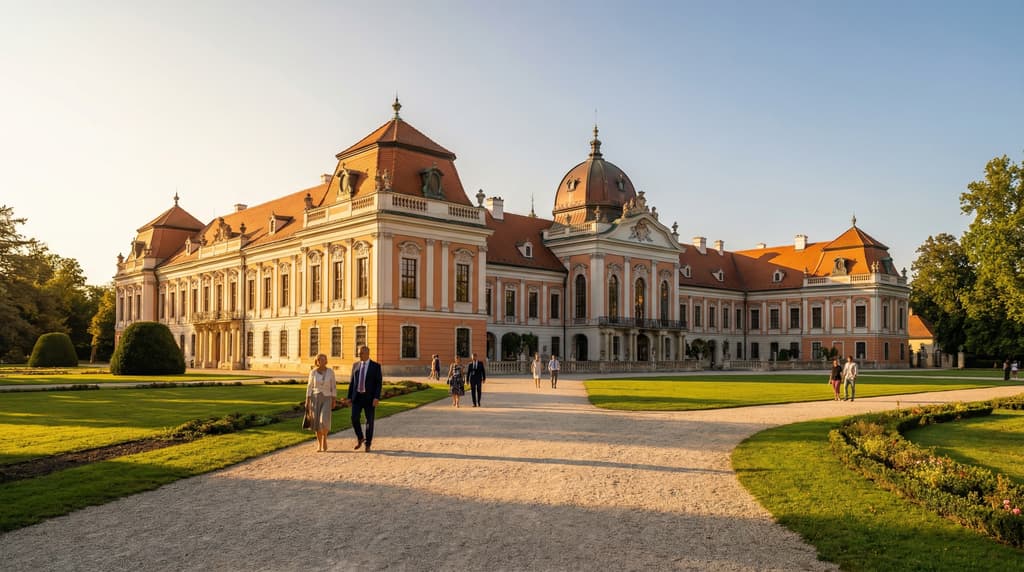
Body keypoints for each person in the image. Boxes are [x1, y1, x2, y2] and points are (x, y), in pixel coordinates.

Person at [344, 345, 382, 452]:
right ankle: (360, 437)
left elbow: (378, 383)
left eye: (361, 353)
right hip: (357, 397)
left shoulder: (376, 366)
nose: (359, 355)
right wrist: (349, 397)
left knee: (369, 421)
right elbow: (352, 383)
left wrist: (376, 397)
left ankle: (368, 443)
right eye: (358, 353)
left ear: (367, 353)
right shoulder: (355, 365)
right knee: (354, 418)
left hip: (370, 398)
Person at [305, 353, 337, 452]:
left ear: (326, 361)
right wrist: (307, 400)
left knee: (324, 420)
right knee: (316, 423)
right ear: (317, 361)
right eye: (319, 360)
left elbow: (333, 386)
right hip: (315, 398)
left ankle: (325, 439)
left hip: (327, 397)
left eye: (323, 359)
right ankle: (319, 444)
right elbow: (309, 386)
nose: (321, 361)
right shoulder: (313, 372)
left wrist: (334, 399)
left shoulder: (330, 372)